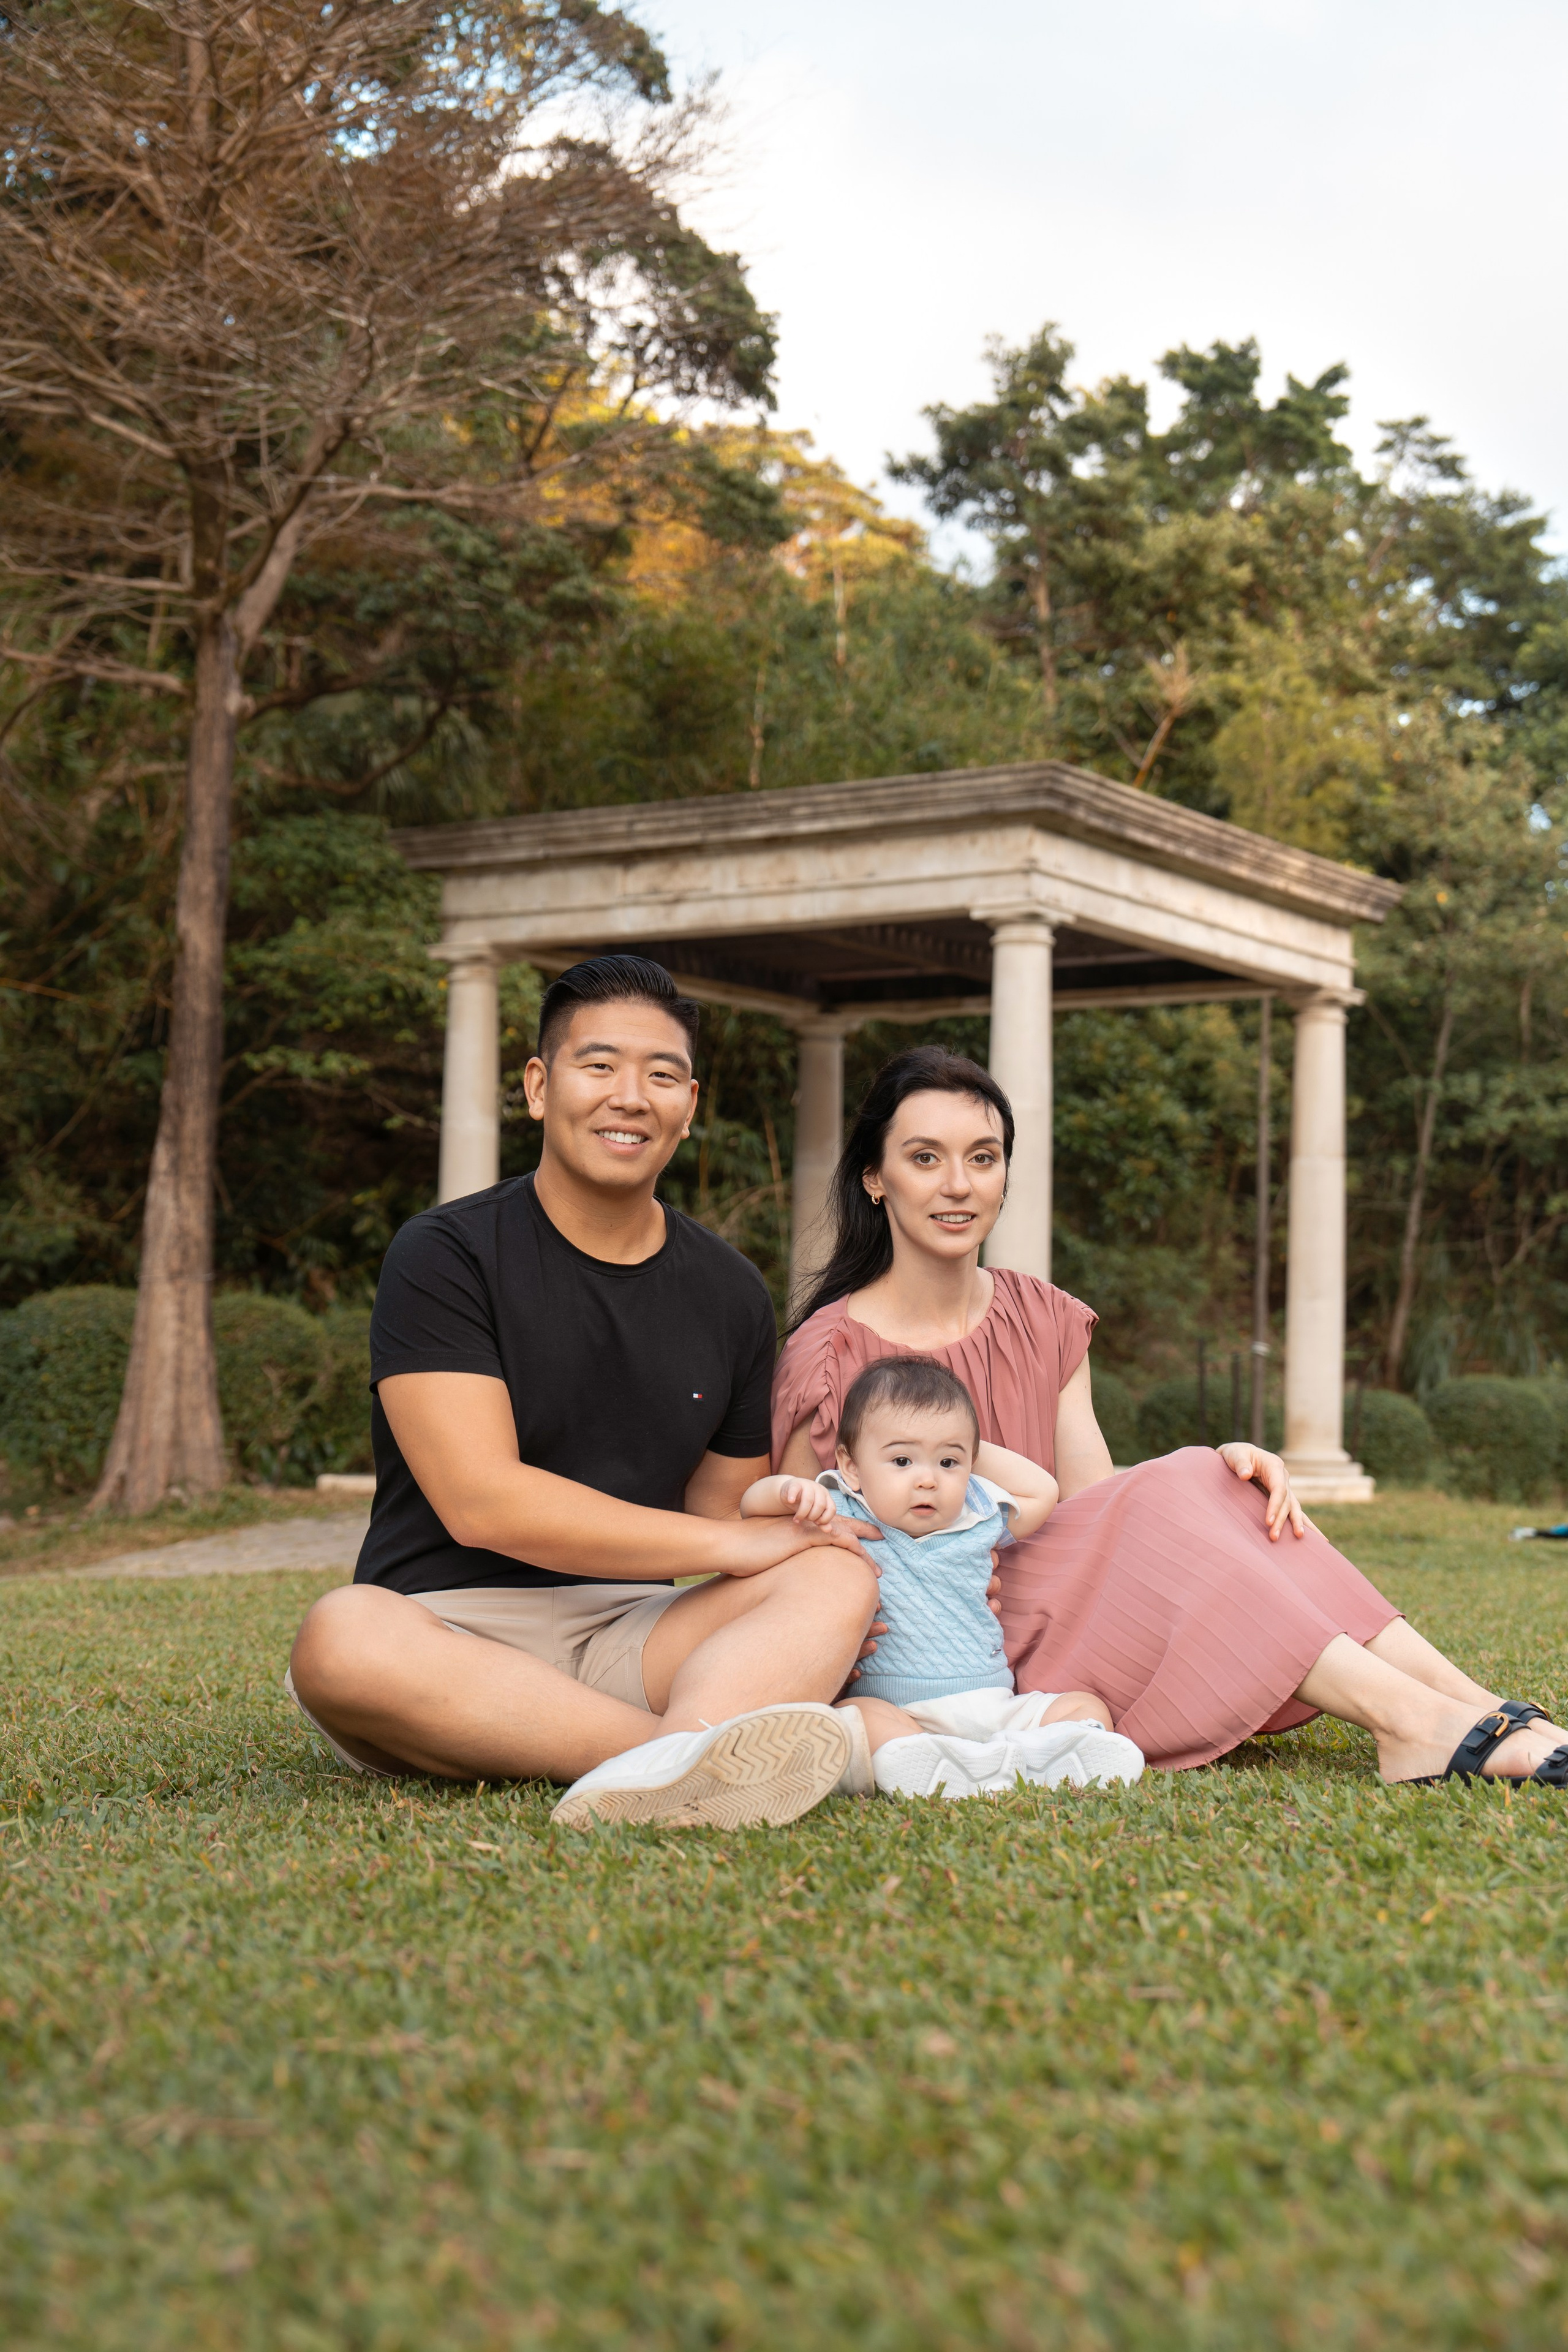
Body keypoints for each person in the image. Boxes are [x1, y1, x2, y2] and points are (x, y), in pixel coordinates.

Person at [772, 1045, 1568, 1790]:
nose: (958, 1185)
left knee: (1219, 1478)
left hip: (1064, 1592)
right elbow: (802, 1556)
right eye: (925, 1158)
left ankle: (1476, 1703)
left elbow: (1098, 1502)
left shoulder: (1043, 1315)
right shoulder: (829, 1353)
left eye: (983, 1158)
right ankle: (1412, 1723)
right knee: (1189, 1480)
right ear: (875, 1178)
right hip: (961, 1635)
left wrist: (1218, 1486)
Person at [287, 954, 889, 1832]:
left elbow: (725, 1517)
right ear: (539, 1086)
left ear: (690, 1109)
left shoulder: (727, 1291)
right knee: (340, 1639)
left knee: (834, 1574)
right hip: (451, 1636)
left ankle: (665, 1763)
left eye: (662, 1075)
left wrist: (790, 1530)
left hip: (634, 1630)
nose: (630, 1095)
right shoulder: (445, 1256)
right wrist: (730, 1541)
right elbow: (481, 1505)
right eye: (599, 1065)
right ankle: (681, 1758)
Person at [742, 1354, 1144, 1798]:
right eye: (901, 1460)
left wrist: (963, 1443)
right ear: (852, 1467)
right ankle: (934, 1762)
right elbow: (751, 1507)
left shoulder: (978, 1510)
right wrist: (786, 1491)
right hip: (902, 1711)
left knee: (1083, 1707)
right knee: (858, 1719)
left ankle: (1028, 1754)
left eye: (947, 1463)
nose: (928, 1480)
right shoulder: (843, 1509)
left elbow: (1043, 1491)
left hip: (995, 1705)